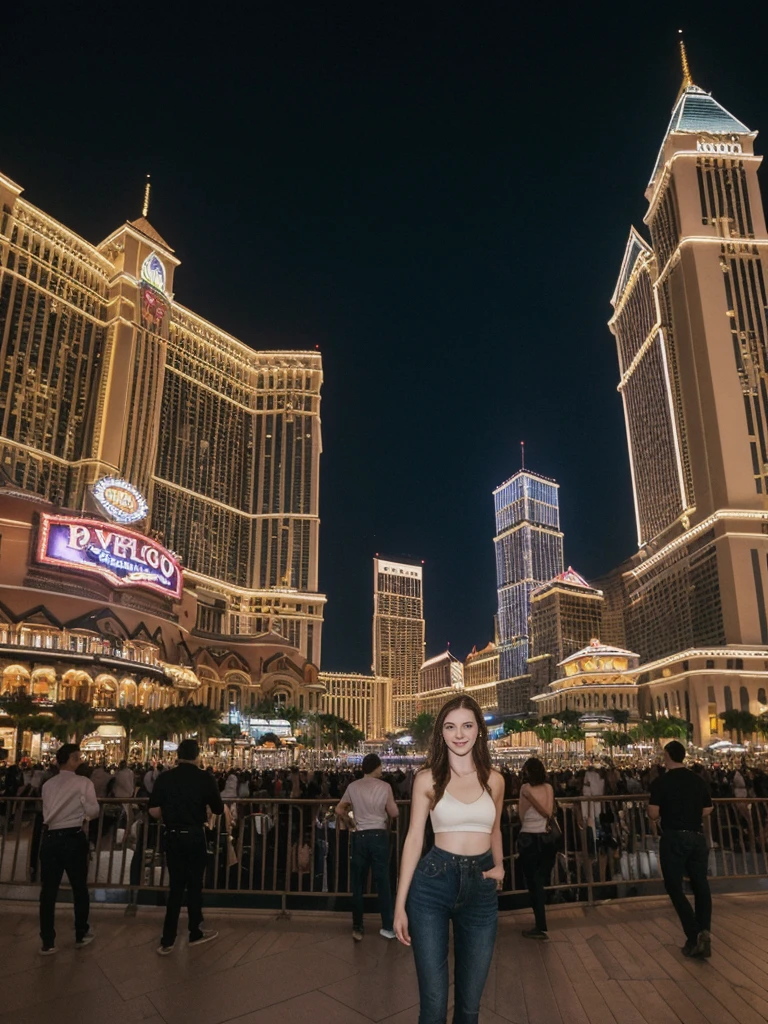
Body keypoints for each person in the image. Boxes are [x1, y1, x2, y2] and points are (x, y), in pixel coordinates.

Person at [394, 695, 505, 1024]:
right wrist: (399, 906)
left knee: (470, 1008)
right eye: (451, 726)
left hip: (481, 889)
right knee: (433, 1005)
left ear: (479, 731)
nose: (459, 734)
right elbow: (414, 838)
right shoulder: (427, 779)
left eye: (467, 725)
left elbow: (495, 829)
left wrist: (500, 867)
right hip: (432, 885)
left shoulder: (494, 780)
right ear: (441, 733)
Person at [148, 739, 224, 955]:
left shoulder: (165, 778)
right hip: (194, 835)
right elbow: (218, 808)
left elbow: (153, 809)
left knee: (176, 887)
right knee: (194, 885)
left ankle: (167, 939)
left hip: (172, 834)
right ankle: (195, 931)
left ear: (178, 755)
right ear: (197, 755)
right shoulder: (204, 777)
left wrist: (171, 813)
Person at [648, 740, 713, 958]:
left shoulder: (661, 782)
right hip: (696, 836)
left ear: (667, 755)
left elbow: (654, 813)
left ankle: (693, 933)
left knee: (674, 886)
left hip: (674, 837)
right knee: (700, 885)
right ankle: (704, 931)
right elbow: (708, 808)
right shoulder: (697, 780)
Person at [39, 743, 100, 955]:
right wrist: (83, 810)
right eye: (79, 758)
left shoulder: (47, 785)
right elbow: (94, 809)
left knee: (48, 891)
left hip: (50, 837)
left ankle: (48, 940)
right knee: (79, 887)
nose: (81, 761)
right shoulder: (83, 783)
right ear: (73, 760)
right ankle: (81, 932)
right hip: (73, 837)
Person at [334, 753, 399, 941]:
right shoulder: (385, 787)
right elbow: (394, 812)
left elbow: (339, 809)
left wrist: (350, 820)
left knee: (358, 883)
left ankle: (358, 927)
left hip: (359, 836)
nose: (382, 769)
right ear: (376, 767)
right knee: (383, 883)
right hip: (379, 836)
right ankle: (387, 926)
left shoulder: (353, 787)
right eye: (380, 766)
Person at [517, 757, 557, 939]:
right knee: (540, 879)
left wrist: (530, 798)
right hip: (547, 838)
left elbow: (522, 814)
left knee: (533, 883)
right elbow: (549, 811)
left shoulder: (525, 790)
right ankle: (541, 922)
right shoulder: (548, 788)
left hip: (529, 838)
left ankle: (540, 924)